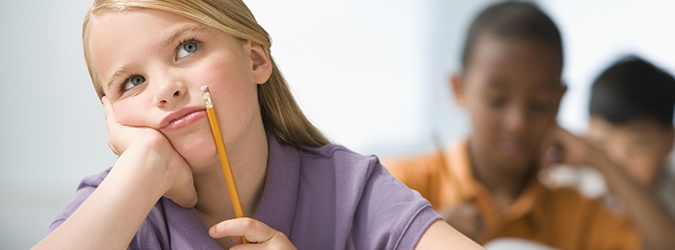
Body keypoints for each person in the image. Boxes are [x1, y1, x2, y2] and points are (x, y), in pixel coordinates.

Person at [32, 1, 482, 249]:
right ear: (111, 115)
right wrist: (145, 165)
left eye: (187, 47)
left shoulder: (349, 189)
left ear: (255, 59)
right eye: (132, 81)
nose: (165, 89)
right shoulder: (117, 205)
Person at [385, 2, 644, 249]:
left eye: (540, 103)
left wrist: (600, 159)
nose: (517, 123)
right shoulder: (399, 186)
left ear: (559, 101)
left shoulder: (579, 215)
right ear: (459, 89)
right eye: (497, 100)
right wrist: (419, 238)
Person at [585, 56, 675, 249]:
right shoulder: (568, 184)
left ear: (669, 143)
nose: (617, 161)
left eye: (637, 145)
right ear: (587, 132)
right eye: (601, 145)